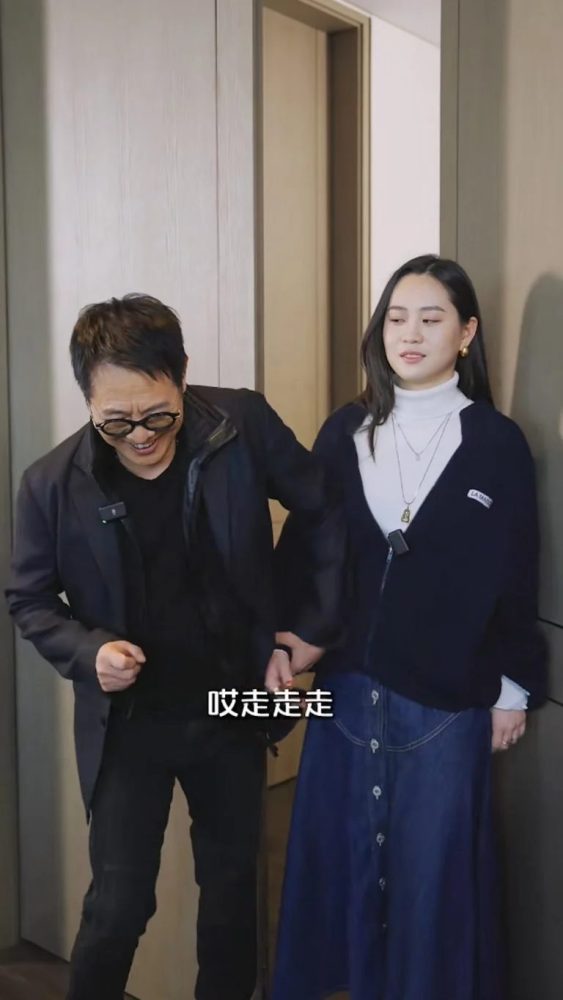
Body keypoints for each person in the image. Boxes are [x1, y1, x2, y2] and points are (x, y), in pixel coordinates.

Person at [6, 293, 344, 1000]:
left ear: (183, 376)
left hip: (232, 703)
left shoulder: (241, 425)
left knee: (232, 893)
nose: (139, 436)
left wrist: (307, 628)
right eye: (116, 420)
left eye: (158, 415)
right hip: (130, 723)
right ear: (88, 399)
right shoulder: (50, 484)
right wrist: (88, 652)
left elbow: (324, 509)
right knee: (118, 905)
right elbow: (29, 600)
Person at [268, 255, 548, 1000]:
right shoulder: (345, 430)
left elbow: (516, 570)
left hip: (447, 703)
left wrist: (512, 687)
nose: (410, 335)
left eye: (430, 319)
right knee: (345, 870)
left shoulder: (496, 442)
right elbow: (304, 552)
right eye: (396, 318)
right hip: (345, 695)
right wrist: (284, 641)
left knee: (432, 888)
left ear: (466, 333)